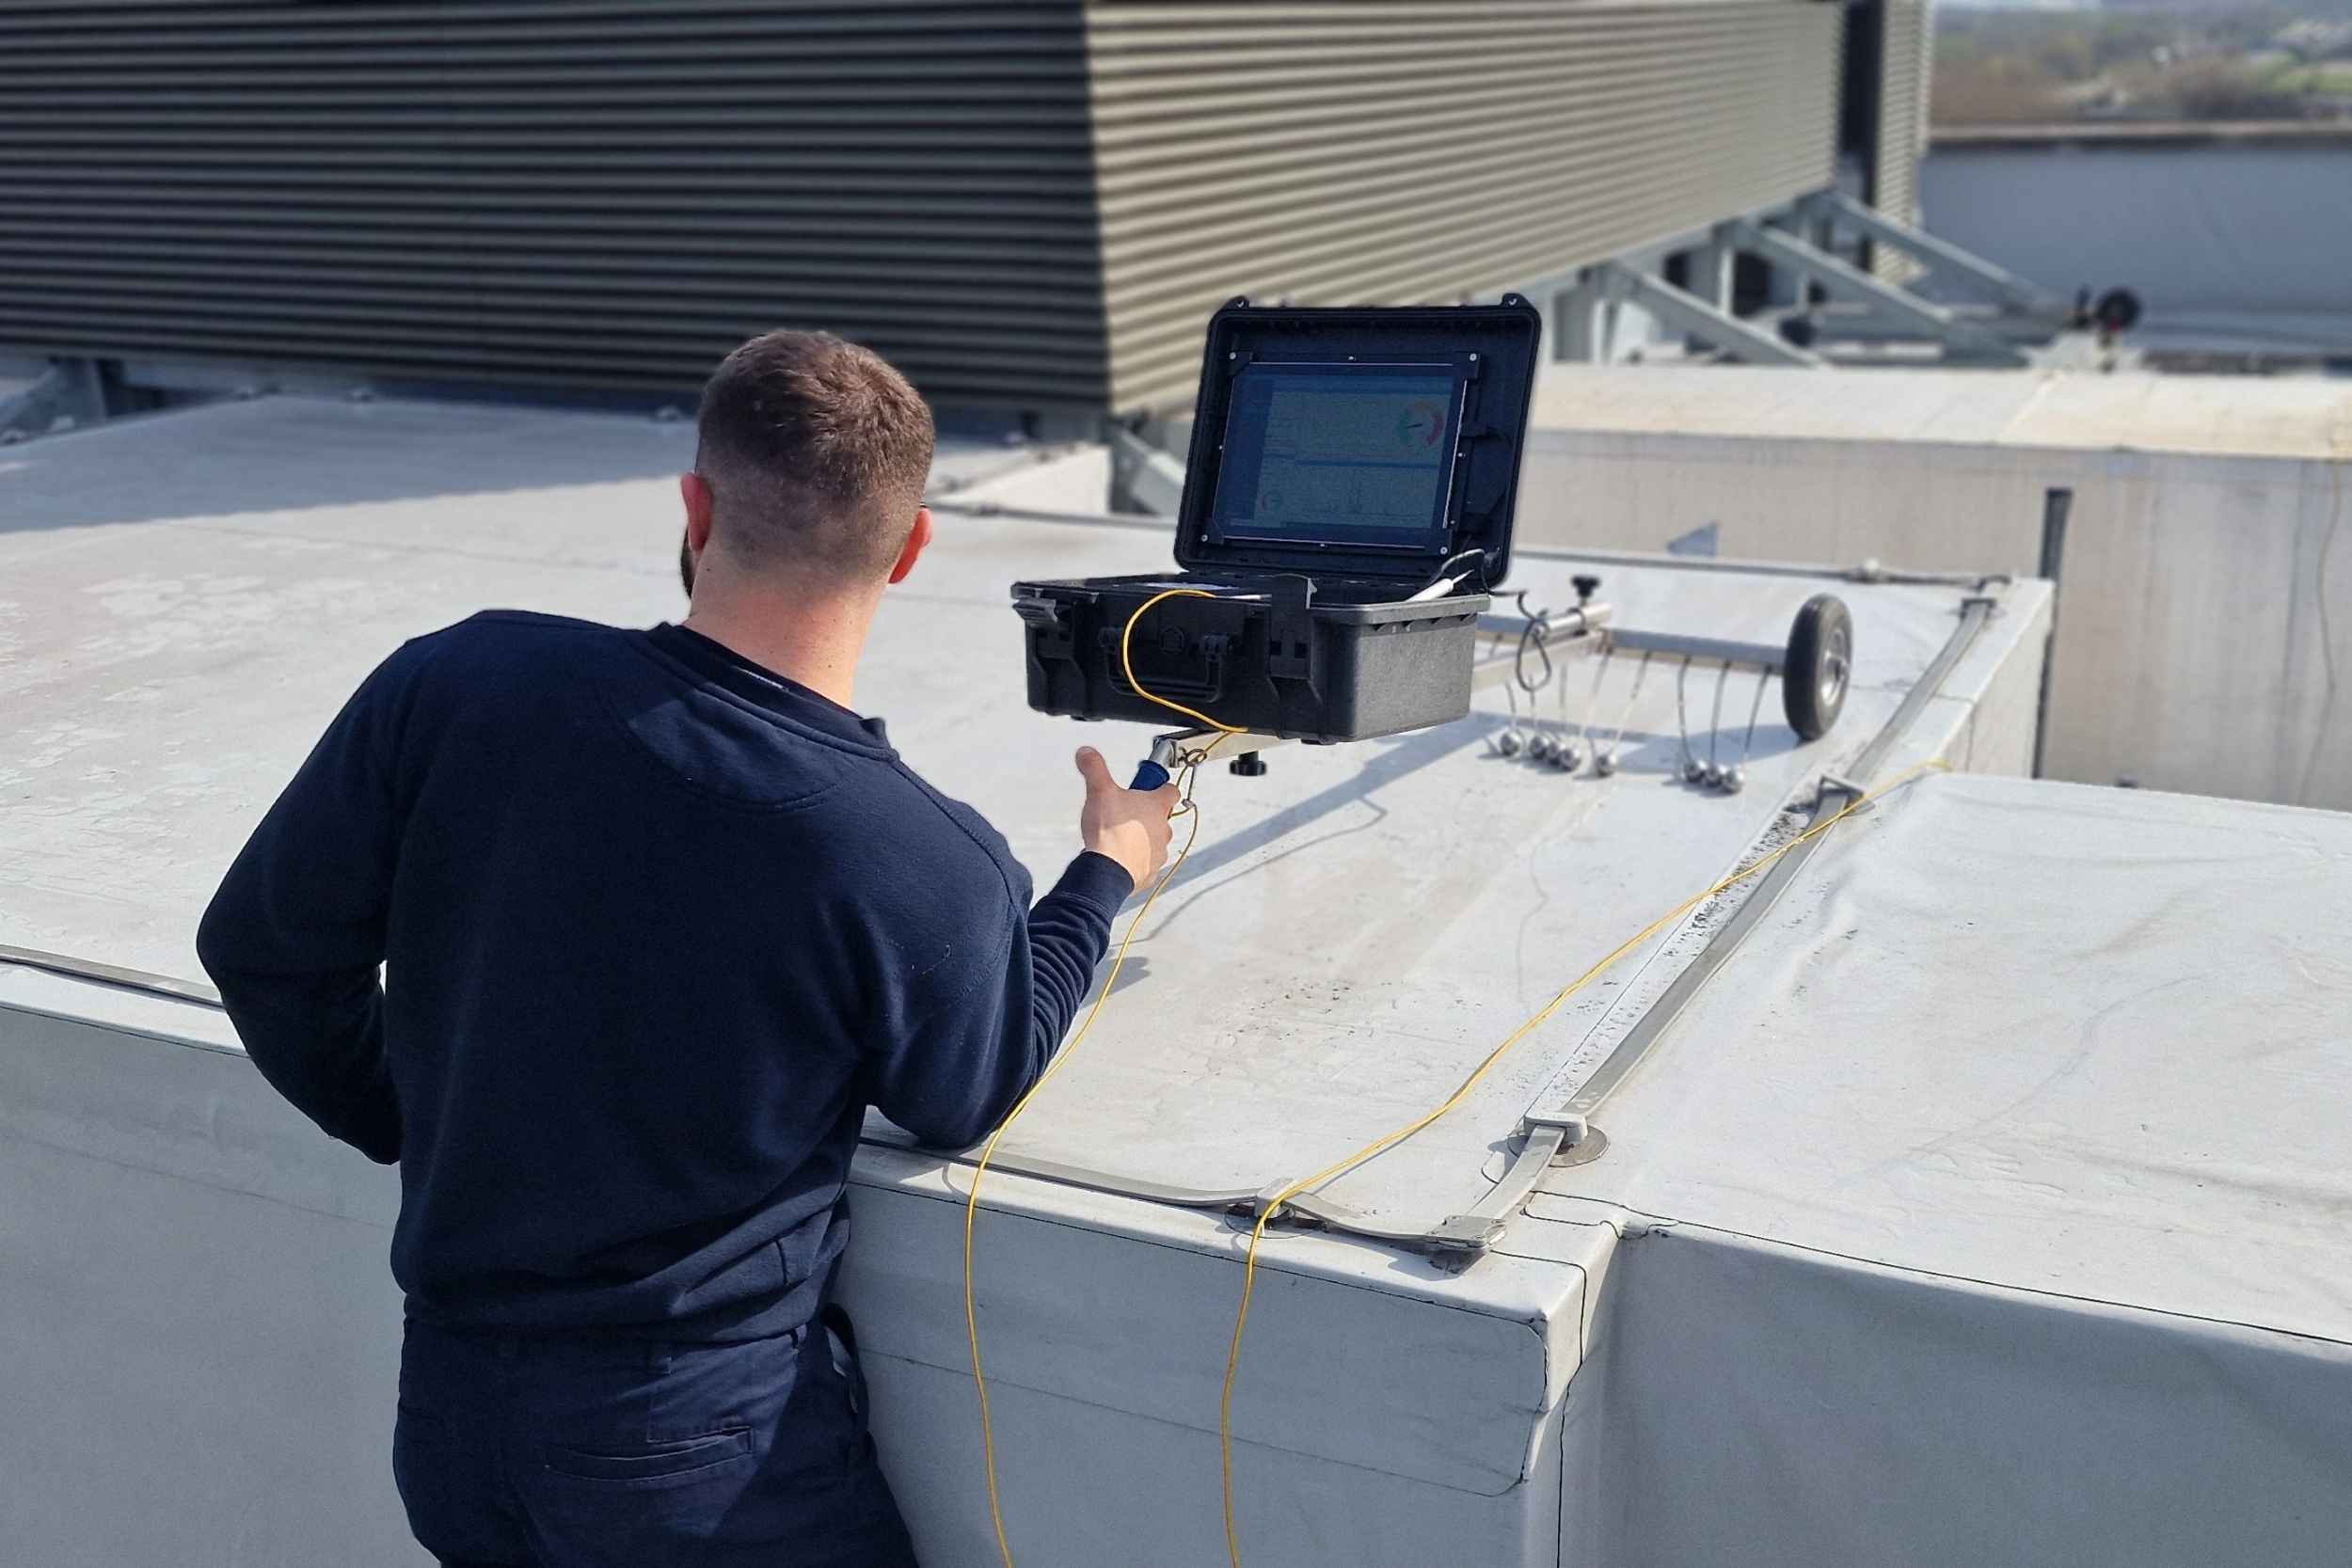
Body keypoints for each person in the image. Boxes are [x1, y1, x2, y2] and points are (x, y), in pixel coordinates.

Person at [197, 329, 1179, 1567]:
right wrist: (1105, 874)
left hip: (454, 1416)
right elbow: (964, 1092)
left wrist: (412, 1116)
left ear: (696, 508)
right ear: (913, 547)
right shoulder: (921, 857)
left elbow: (261, 949)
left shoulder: (456, 681)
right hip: (698, 1458)